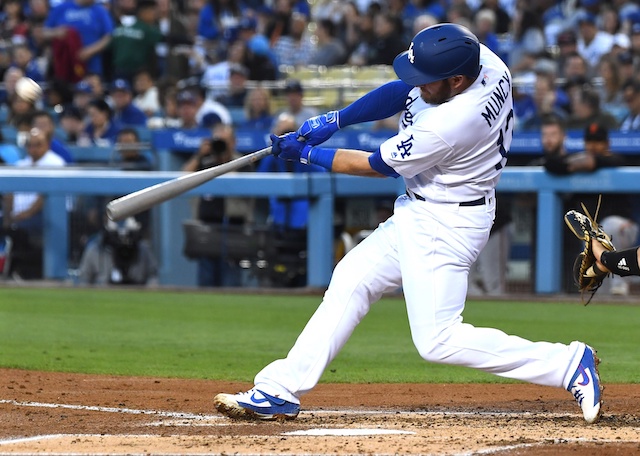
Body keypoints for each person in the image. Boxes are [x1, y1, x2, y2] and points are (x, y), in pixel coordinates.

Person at [213, 23, 603, 425]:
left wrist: (308, 154)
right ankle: (281, 389)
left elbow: (375, 165)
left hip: (447, 221)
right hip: (424, 208)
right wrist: (337, 118)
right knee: (351, 278)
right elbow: (405, 90)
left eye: (429, 80)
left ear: (456, 80)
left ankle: (568, 363)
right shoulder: (482, 60)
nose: (418, 84)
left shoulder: (451, 123)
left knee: (438, 341)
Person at [256, 112, 328, 287]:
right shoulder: (273, 159)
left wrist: (300, 151)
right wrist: (274, 151)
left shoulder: (303, 153)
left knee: (303, 272)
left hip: (303, 225)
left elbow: (322, 176)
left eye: (290, 132)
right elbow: (259, 179)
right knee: (275, 273)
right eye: (283, 132)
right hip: (278, 223)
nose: (286, 136)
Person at [182, 124, 254, 287]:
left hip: (234, 229)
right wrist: (199, 155)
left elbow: (240, 186)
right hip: (206, 229)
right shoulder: (205, 161)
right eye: (217, 141)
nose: (221, 145)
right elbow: (182, 179)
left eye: (225, 142)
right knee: (205, 282)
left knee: (231, 283)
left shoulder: (243, 162)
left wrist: (224, 158)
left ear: (233, 142)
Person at [77, 216, 158, 285]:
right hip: (104, 294)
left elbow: (153, 275)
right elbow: (84, 280)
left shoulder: (143, 249)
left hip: (137, 293)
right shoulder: (95, 250)